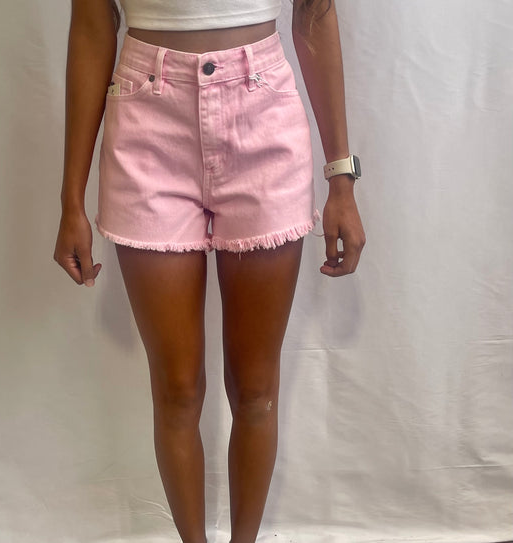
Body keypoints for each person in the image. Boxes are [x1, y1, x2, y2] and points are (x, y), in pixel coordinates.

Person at [54, 1, 365, 541]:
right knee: (176, 389)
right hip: (147, 120)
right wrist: (71, 200)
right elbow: (92, 25)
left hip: (262, 111)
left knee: (255, 389)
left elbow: (315, 13)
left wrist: (342, 177)